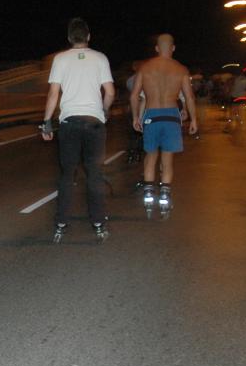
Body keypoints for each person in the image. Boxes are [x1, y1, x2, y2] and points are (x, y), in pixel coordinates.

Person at [40, 17, 115, 241]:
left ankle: (61, 223)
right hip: (94, 122)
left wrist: (46, 122)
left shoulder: (60, 59)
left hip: (70, 123)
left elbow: (53, 94)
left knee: (67, 174)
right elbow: (110, 92)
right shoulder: (100, 58)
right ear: (88, 36)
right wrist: (104, 110)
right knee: (94, 174)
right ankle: (98, 223)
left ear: (69, 38)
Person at [130, 33, 198, 214]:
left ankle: (148, 195)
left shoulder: (145, 68)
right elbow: (189, 97)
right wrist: (193, 119)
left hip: (151, 115)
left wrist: (136, 117)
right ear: (173, 48)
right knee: (167, 159)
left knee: (150, 156)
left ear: (156, 48)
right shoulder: (181, 69)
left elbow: (134, 95)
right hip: (171, 116)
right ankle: (165, 197)